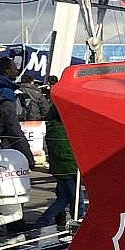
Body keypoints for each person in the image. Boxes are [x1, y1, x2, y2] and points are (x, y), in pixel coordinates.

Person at [30, 77, 78, 232]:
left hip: (62, 166)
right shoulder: (61, 127)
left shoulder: (54, 126)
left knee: (64, 198)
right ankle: (77, 225)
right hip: (68, 167)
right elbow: (66, 150)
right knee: (76, 200)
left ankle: (44, 222)